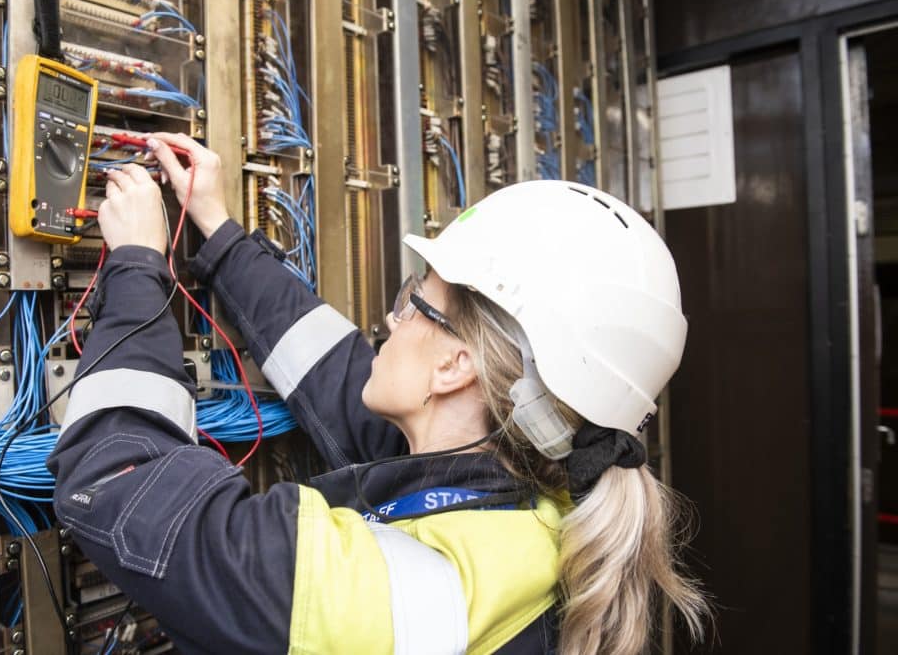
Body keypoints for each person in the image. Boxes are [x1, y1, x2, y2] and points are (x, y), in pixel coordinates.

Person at [47, 132, 709, 654]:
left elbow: (117, 476)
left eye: (414, 302)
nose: (390, 321)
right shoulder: (531, 510)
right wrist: (217, 234)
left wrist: (136, 263)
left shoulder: (418, 596)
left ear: (455, 366)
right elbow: (340, 376)